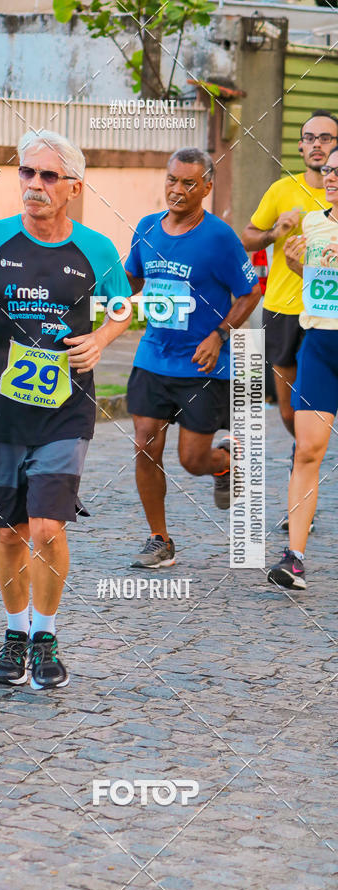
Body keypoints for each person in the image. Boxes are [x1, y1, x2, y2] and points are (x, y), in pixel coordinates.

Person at [0, 130, 131, 689]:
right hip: (2, 405)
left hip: (66, 406)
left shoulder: (95, 248)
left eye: (49, 176)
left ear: (72, 186)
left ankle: (45, 636)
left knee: (47, 528)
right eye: (27, 173)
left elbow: (122, 307)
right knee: (9, 531)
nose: (35, 185)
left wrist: (102, 339)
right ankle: (13, 635)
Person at [125, 147, 261, 568]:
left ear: (206, 186)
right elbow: (128, 279)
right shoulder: (147, 228)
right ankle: (159, 539)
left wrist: (218, 336)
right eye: (172, 180)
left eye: (188, 183)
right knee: (145, 442)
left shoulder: (220, 238)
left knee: (192, 460)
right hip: (153, 357)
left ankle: (223, 465)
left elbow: (250, 292)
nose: (177, 190)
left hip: (203, 366)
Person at [242, 110, 338, 530]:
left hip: (329, 318)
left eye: (326, 138)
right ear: (300, 146)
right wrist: (273, 235)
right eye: (309, 138)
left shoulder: (333, 194)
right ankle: (305, 466)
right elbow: (247, 235)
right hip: (284, 309)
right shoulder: (283, 190)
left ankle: (307, 468)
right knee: (288, 410)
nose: (317, 144)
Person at [268, 147, 338, 590]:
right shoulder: (313, 222)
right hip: (320, 345)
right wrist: (296, 265)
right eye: (328, 169)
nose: (330, 175)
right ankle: (294, 558)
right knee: (308, 450)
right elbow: (315, 282)